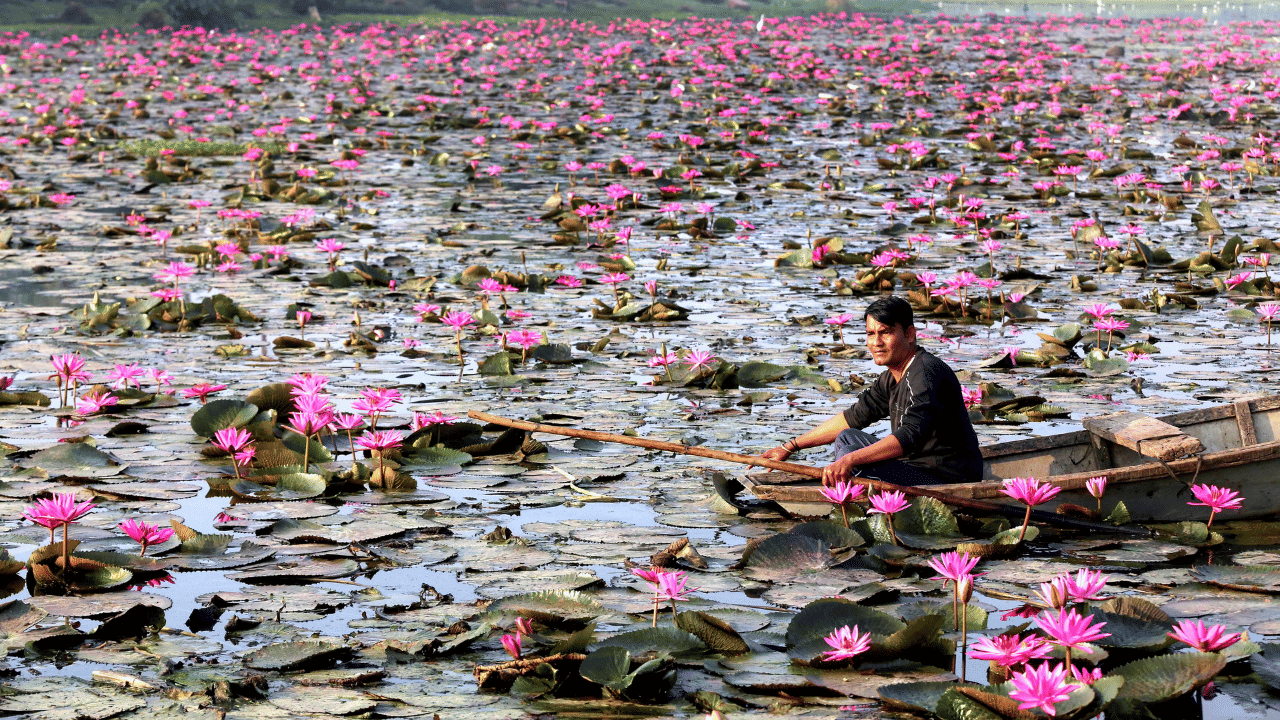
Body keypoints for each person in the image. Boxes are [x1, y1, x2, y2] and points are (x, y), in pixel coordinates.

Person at [760, 296, 981, 487]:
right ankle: (847, 483)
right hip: (912, 466)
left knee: (854, 462)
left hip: (944, 478)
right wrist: (790, 446)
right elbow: (853, 417)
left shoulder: (925, 373)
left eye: (885, 333)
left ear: (909, 334)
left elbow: (909, 436)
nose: (876, 342)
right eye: (871, 333)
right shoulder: (892, 376)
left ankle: (846, 491)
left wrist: (849, 461)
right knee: (847, 438)